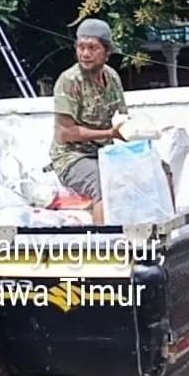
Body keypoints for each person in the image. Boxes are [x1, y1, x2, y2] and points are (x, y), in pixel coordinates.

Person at [49, 18, 127, 224]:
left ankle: (164, 238)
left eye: (92, 48)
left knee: (155, 168)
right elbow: (65, 133)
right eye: (81, 47)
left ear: (107, 52)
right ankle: (105, 247)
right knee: (102, 182)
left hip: (105, 154)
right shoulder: (69, 80)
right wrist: (109, 134)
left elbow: (122, 118)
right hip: (72, 157)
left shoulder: (112, 78)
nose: (85, 54)